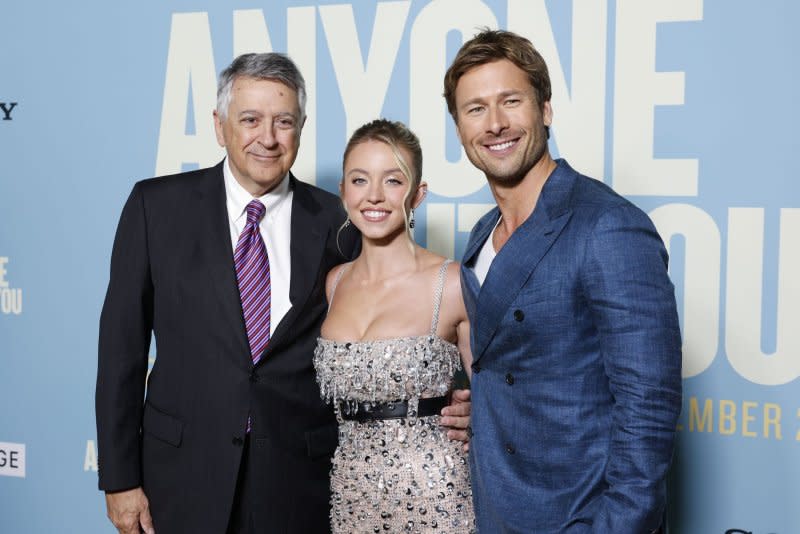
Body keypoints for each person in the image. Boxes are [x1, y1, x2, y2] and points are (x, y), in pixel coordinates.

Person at [96, 53, 471, 534]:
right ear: (219, 124)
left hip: (301, 481)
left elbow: (391, 332)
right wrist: (121, 480)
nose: (267, 138)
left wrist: (461, 405)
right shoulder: (155, 207)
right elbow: (120, 353)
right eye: (250, 119)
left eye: (283, 122)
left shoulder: (342, 219)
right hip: (183, 476)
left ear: (301, 127)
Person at [443, 29, 682, 533]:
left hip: (576, 516)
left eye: (511, 101)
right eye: (476, 109)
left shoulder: (607, 226)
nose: (496, 124)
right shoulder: (482, 235)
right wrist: (480, 414)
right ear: (459, 127)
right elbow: (505, 366)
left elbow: (649, 411)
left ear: (544, 110)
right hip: (495, 507)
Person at [313, 118, 476, 533]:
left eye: (392, 181)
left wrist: (479, 413)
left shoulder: (452, 282)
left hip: (436, 494)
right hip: (351, 494)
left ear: (418, 194)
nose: (374, 196)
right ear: (343, 192)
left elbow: (499, 400)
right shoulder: (335, 283)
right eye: (360, 180)